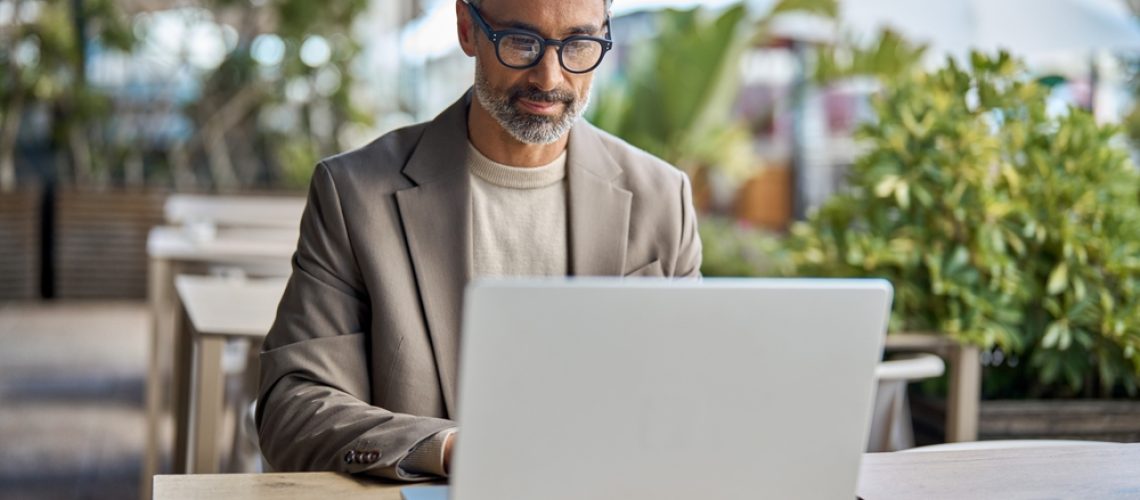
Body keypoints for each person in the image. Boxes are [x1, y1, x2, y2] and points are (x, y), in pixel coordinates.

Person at [256, 0, 702, 481]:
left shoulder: (662, 199)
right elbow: (294, 404)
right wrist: (449, 449)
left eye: (578, 44)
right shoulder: (354, 195)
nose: (549, 78)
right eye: (520, 41)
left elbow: (691, 398)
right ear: (467, 28)